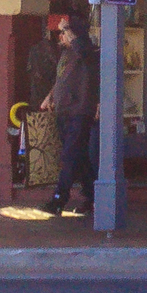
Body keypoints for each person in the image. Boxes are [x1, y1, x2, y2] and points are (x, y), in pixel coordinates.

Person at [43, 20, 97, 217]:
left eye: (64, 33)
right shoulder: (66, 55)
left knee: (69, 155)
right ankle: (93, 197)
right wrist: (50, 96)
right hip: (64, 111)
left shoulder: (86, 52)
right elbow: (62, 81)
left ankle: (59, 199)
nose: (61, 36)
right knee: (79, 156)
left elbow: (83, 49)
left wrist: (68, 28)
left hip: (80, 111)